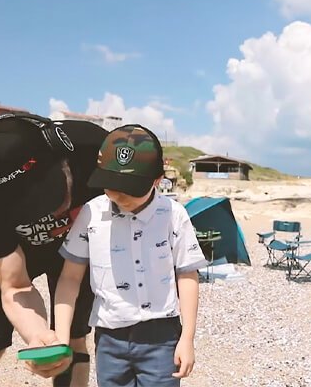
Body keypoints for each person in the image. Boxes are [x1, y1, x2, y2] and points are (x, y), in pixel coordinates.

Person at [0, 113, 108, 387]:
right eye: (26, 207)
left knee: (73, 342)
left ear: (60, 153)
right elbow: (15, 287)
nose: (51, 211)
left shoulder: (92, 146)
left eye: (51, 192)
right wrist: (37, 336)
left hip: (78, 250)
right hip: (10, 252)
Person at [54, 124, 207, 387]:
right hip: (109, 338)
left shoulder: (173, 215)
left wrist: (187, 338)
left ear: (157, 180)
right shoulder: (91, 214)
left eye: (129, 188)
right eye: (110, 185)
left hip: (161, 337)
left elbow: (187, 275)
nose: (118, 195)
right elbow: (69, 278)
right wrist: (60, 337)